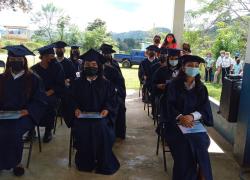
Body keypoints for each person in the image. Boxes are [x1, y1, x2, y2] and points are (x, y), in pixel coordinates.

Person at [67, 49, 120, 174]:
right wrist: (75, 109)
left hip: (102, 118)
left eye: (94, 65)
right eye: (87, 65)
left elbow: (112, 100)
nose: (90, 67)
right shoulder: (76, 83)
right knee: (83, 129)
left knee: (101, 128)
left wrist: (107, 109)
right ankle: (86, 162)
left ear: (99, 66)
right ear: (83, 66)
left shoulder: (106, 84)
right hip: (81, 118)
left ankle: (103, 162)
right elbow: (69, 99)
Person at [0, 45, 47, 176]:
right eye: (13, 59)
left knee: (13, 131)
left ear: (24, 61)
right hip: (3, 115)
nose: (16, 61)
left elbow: (40, 101)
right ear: (8, 60)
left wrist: (28, 111)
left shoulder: (34, 79)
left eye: (19, 59)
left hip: (24, 115)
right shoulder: (1, 78)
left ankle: (16, 162)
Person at [165, 55, 214, 180]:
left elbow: (204, 109)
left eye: (196, 66)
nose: (193, 68)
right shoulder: (173, 85)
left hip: (194, 124)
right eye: (190, 65)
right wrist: (180, 117)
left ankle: (202, 173)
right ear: (183, 67)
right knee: (185, 145)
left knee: (202, 141)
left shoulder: (201, 88)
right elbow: (167, 106)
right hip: (175, 125)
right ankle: (191, 176)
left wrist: (192, 116)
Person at [31, 44, 65, 143]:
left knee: (50, 104)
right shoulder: (34, 69)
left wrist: (47, 93)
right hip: (37, 94)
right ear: (44, 57)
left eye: (53, 55)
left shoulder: (57, 67)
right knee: (29, 104)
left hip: (53, 94)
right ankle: (31, 130)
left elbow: (60, 84)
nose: (53, 58)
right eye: (51, 56)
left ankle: (48, 130)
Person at [100, 43, 127, 139]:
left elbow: (120, 81)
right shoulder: (97, 65)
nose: (106, 56)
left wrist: (115, 90)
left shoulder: (115, 65)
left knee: (119, 105)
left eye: (108, 54)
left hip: (114, 92)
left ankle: (118, 133)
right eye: (104, 54)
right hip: (100, 93)